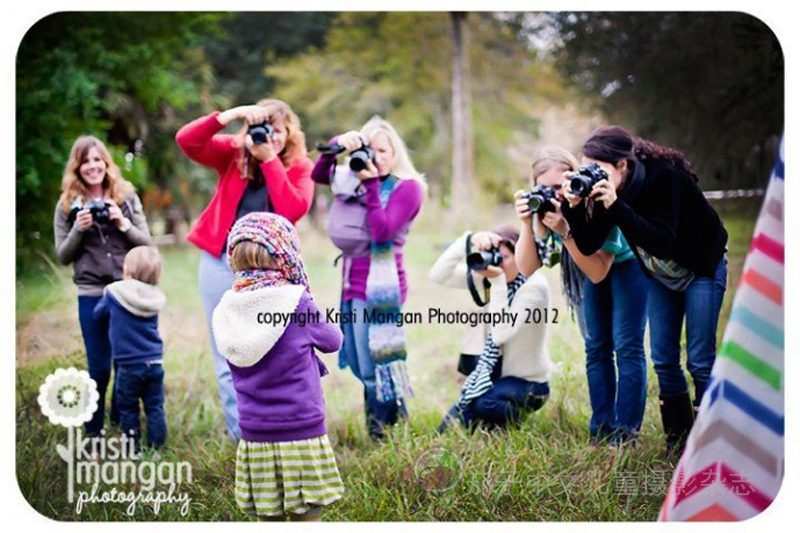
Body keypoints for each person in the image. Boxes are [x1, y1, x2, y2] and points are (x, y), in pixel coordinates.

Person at [562, 126, 728, 453]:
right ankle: (679, 445)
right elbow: (588, 242)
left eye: (599, 167)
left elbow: (661, 242)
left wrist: (616, 205)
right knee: (664, 358)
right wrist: (573, 207)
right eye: (587, 167)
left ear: (622, 165)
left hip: (701, 268)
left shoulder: (664, 179)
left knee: (699, 361)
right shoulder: (609, 189)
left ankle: (713, 446)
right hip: (661, 276)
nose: (593, 174)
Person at [176, 99, 314, 442]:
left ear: (290, 133)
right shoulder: (234, 154)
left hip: (271, 275)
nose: (271, 136)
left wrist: (270, 161)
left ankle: (278, 429)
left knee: (270, 349)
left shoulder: (299, 167)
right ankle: (244, 437)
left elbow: (292, 209)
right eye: (264, 128)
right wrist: (233, 114)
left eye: (279, 130)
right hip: (219, 265)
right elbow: (187, 140)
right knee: (227, 350)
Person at [212, 213, 344, 521]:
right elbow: (333, 340)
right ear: (287, 253)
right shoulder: (296, 301)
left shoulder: (227, 306)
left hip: (255, 432)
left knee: (267, 514)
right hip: (301, 427)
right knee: (307, 515)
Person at [514, 147, 649, 446]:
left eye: (559, 186)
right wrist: (527, 223)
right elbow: (527, 267)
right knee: (597, 347)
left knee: (627, 346)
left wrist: (564, 230)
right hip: (588, 266)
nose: (555, 195)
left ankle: (626, 433)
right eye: (544, 188)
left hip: (625, 264)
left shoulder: (594, 201)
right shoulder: (546, 210)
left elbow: (599, 270)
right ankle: (601, 429)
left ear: (573, 177)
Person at [312, 116, 425, 441]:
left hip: (378, 289)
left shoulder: (407, 188)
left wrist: (372, 184)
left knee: (375, 367)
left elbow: (383, 232)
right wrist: (338, 146)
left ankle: (382, 436)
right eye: (369, 150)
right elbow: (318, 174)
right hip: (350, 284)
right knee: (363, 366)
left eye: (382, 150)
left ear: (394, 153)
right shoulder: (352, 179)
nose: (376, 157)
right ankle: (396, 419)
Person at [54, 135, 153, 439]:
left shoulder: (126, 196)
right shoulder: (67, 205)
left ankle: (123, 423)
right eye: (86, 161)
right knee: (99, 368)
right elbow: (62, 255)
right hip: (91, 293)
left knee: (126, 363)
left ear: (106, 163)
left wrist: (122, 222)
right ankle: (93, 433)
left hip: (127, 292)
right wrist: (77, 229)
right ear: (77, 167)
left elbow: (147, 243)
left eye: (98, 159)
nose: (93, 166)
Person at [436, 227, 552, 432]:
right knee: (460, 422)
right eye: (494, 255)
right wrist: (469, 239)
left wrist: (497, 282)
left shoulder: (534, 287)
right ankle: (493, 423)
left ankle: (516, 420)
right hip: (496, 379)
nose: (497, 262)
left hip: (530, 384)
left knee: (484, 405)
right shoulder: (491, 277)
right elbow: (439, 274)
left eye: (504, 257)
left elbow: (501, 333)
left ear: (522, 255)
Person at [93, 246, 167, 452]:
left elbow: (98, 315)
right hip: (154, 362)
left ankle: (131, 450)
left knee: (128, 408)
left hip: (129, 365)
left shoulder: (114, 293)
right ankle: (157, 449)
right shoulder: (154, 297)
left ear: (127, 270)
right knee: (155, 407)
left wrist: (105, 294)